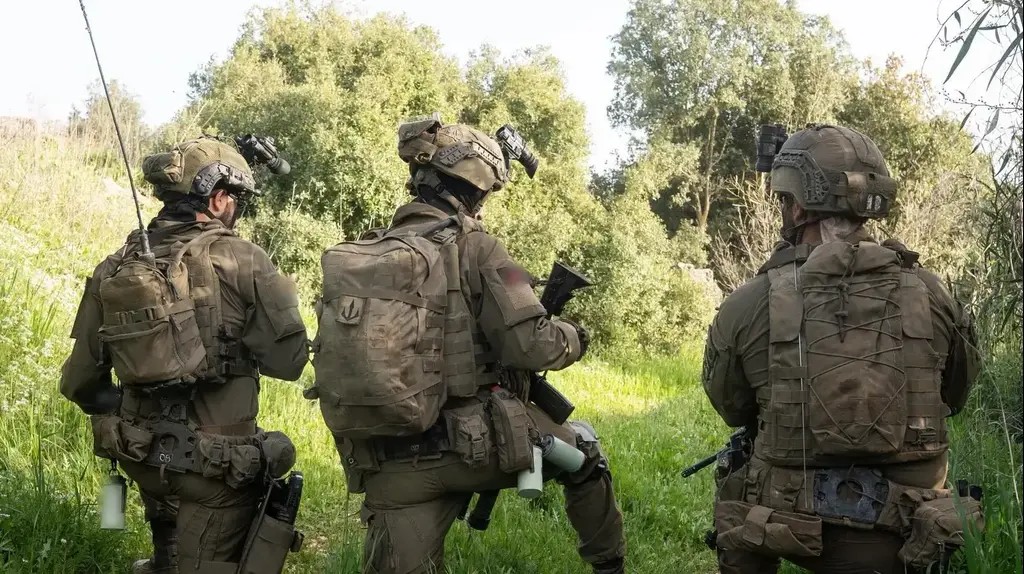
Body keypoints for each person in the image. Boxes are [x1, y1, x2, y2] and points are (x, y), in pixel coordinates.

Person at [309, 118, 626, 574]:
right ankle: (610, 566)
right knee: (587, 451)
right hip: (472, 450)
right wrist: (574, 337)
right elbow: (534, 346)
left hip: (387, 461)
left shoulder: (368, 250)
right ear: (477, 190)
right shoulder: (481, 247)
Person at [701, 124, 983, 574]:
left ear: (797, 207)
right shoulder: (934, 294)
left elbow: (733, 409)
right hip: (910, 529)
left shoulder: (750, 302)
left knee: (736, 471)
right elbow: (956, 396)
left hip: (787, 522)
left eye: (784, 201)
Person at [61, 137, 308, 574]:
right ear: (218, 198)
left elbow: (79, 383)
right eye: (236, 199)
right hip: (215, 467)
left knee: (168, 550)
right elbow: (288, 364)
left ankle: (165, 560)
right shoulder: (244, 259)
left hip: (140, 456)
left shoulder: (116, 265)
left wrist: (137, 406)